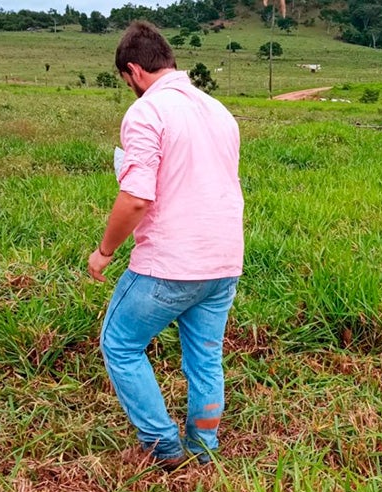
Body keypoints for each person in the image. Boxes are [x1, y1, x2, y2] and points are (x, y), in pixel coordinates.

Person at [88, 21, 244, 469]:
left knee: (119, 343)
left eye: (126, 82)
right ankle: (204, 448)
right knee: (205, 357)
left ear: (134, 71)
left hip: (170, 263)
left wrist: (105, 251)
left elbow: (136, 197)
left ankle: (163, 446)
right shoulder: (219, 111)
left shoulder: (146, 112)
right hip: (224, 261)